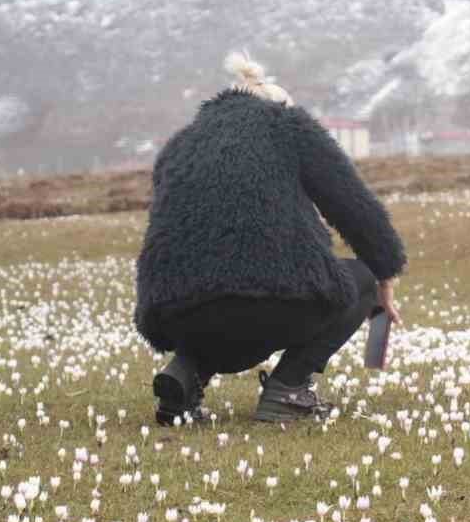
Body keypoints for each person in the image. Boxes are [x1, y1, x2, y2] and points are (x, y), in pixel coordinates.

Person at [135, 52, 406, 424]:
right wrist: (385, 276)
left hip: (174, 312)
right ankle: (288, 389)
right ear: (281, 107)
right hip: (272, 306)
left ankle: (185, 372)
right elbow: (354, 207)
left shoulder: (179, 147)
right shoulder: (288, 128)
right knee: (358, 279)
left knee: (216, 295)